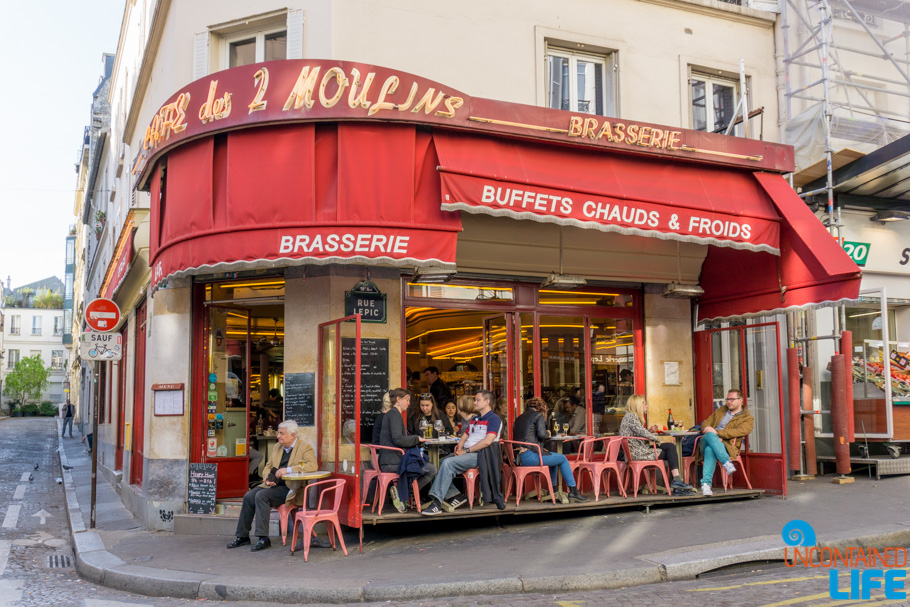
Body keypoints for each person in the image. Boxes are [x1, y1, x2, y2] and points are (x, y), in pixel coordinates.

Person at [227, 420, 317, 551]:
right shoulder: (277, 447)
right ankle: (242, 536)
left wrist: (289, 469)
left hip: (290, 488)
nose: (278, 436)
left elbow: (312, 466)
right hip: (273, 485)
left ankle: (263, 538)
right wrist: (266, 477)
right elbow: (268, 466)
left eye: (281, 433)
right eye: (278, 433)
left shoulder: (305, 447)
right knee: (248, 496)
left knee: (261, 496)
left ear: (292, 435)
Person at [422, 390, 505, 515]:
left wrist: (466, 450)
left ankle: (436, 503)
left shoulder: (494, 419)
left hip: (481, 455)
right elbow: (464, 436)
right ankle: (456, 496)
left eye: (477, 400)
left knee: (448, 463)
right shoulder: (476, 419)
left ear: (487, 402)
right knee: (436, 465)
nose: (475, 402)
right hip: (467, 453)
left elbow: (487, 442)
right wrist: (460, 448)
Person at [513, 397, 588, 502]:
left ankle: (553, 490)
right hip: (531, 456)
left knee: (552, 457)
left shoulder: (519, 418)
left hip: (519, 457)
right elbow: (542, 435)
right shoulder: (538, 415)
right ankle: (573, 491)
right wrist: (548, 432)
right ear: (541, 407)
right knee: (562, 458)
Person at [619, 395, 693, 494]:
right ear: (638, 405)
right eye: (644, 404)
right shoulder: (631, 417)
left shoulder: (629, 417)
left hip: (637, 450)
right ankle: (677, 481)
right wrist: (657, 440)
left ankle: (677, 481)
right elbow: (643, 434)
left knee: (670, 448)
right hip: (637, 453)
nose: (647, 406)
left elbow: (640, 433)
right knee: (671, 449)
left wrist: (650, 431)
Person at [379, 388, 437, 513]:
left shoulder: (392, 414)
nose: (409, 403)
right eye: (407, 400)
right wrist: (417, 439)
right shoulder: (394, 414)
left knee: (424, 466)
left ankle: (402, 493)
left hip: (390, 460)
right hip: (392, 462)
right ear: (398, 400)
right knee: (431, 469)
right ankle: (402, 493)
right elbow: (398, 439)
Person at [699, 389, 754, 496]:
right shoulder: (721, 411)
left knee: (710, 449)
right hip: (706, 440)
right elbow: (705, 423)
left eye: (732, 399)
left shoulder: (747, 418)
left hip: (727, 446)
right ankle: (726, 462)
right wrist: (712, 433)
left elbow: (739, 431)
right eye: (728, 399)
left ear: (740, 400)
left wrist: (718, 433)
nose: (729, 402)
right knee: (710, 435)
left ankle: (705, 485)